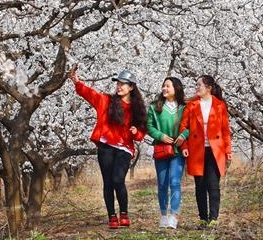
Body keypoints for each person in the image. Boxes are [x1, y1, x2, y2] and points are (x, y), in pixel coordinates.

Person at [68, 67, 147, 229]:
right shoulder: (107, 101)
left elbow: (141, 132)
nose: (119, 87)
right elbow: (90, 94)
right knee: (108, 182)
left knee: (118, 179)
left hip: (124, 148)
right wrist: (76, 81)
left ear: (131, 87)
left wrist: (136, 132)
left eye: (123, 84)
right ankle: (112, 216)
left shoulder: (137, 108)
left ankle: (124, 212)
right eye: (118, 83)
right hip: (106, 146)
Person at [178, 75, 232, 229]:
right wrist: (185, 147)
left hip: (216, 150)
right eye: (196, 84)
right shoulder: (192, 105)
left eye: (199, 84)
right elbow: (183, 127)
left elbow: (225, 131)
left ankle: (213, 219)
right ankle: (203, 219)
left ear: (208, 88)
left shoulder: (220, 105)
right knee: (200, 186)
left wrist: (228, 151)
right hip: (197, 149)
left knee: (213, 185)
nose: (196, 87)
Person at [147, 77, 187, 229]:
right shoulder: (154, 107)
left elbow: (191, 124)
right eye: (163, 86)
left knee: (175, 182)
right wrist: (160, 136)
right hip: (161, 150)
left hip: (177, 151)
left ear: (176, 88)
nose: (164, 88)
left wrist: (183, 135)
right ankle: (164, 215)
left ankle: (174, 216)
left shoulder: (184, 107)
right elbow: (149, 126)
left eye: (168, 86)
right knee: (162, 184)